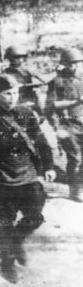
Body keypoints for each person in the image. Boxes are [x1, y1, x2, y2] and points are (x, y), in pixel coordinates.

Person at [0, 74, 55, 283]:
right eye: (7, 93)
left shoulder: (26, 113)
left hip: (27, 174)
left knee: (35, 217)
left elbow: (42, 142)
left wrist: (49, 166)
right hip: (1, 178)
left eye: (15, 93)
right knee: (5, 223)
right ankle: (7, 264)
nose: (12, 98)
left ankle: (17, 241)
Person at [45, 47, 83, 202]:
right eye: (71, 64)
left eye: (78, 64)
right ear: (65, 64)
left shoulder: (81, 79)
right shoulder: (57, 81)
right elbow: (51, 105)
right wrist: (76, 101)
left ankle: (79, 186)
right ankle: (75, 190)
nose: (75, 67)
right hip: (66, 125)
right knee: (75, 157)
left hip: (81, 122)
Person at [3, 45, 42, 111]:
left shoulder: (26, 70)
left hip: (29, 97)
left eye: (20, 57)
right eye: (16, 57)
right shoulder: (7, 72)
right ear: (9, 58)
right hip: (17, 99)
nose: (19, 60)